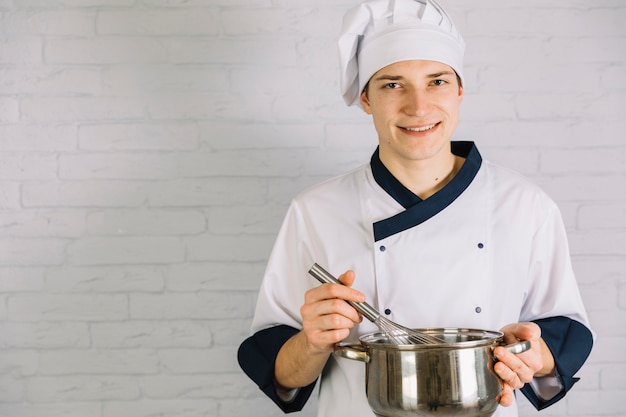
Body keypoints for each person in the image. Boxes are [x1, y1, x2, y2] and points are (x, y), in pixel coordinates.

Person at [237, 1, 594, 416]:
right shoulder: (315, 211)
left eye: (437, 81)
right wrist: (313, 341)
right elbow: (279, 370)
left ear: (460, 91)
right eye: (392, 84)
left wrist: (533, 354)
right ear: (366, 99)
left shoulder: (525, 204)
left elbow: (563, 334)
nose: (418, 107)